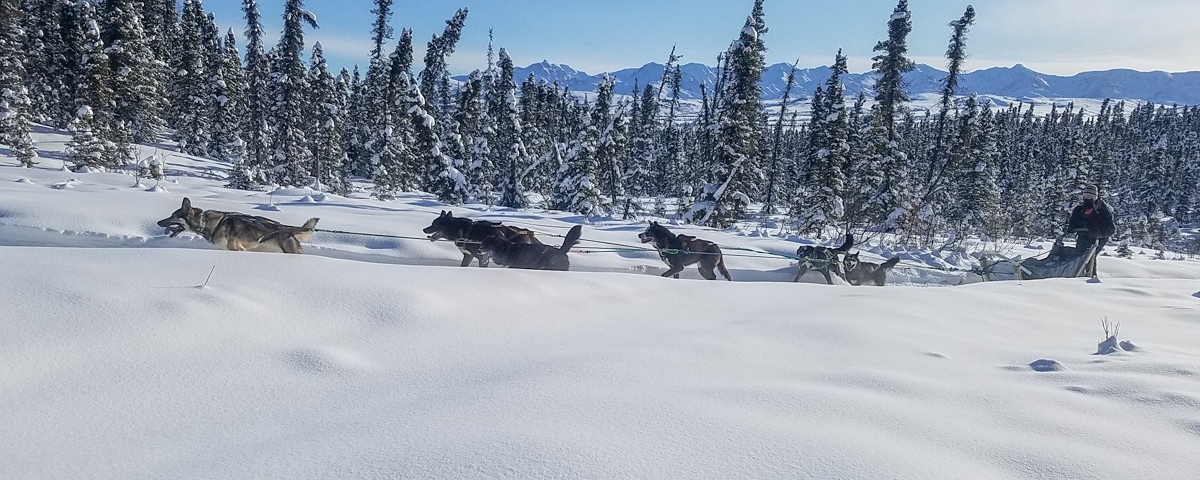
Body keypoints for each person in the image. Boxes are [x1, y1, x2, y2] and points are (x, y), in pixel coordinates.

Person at [1066, 184, 1116, 275]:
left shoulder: (1102, 211)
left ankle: (1090, 276)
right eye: (1086, 196)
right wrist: (1073, 228)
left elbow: (1111, 229)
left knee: (1089, 257)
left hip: (1098, 239)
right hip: (1083, 236)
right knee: (1078, 256)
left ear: (1096, 197)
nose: (1088, 198)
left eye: (1091, 196)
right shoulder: (1079, 210)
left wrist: (1097, 232)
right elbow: (1071, 225)